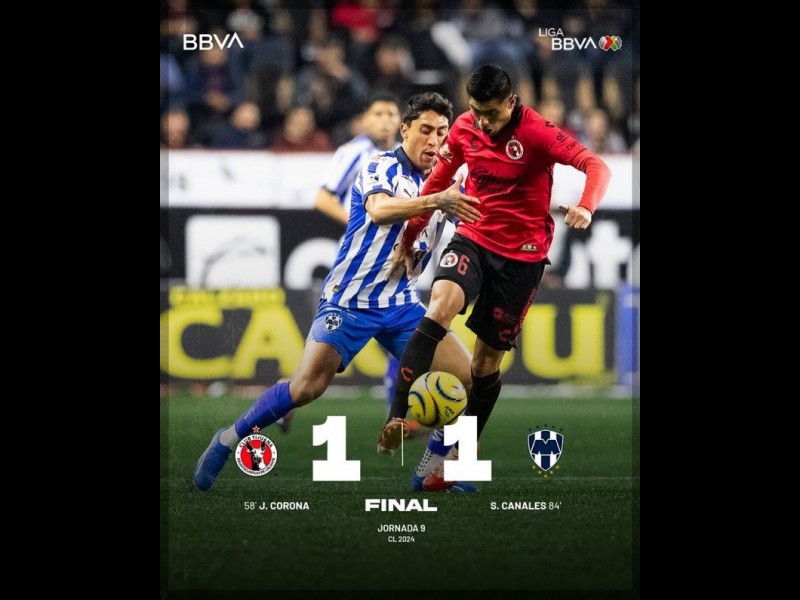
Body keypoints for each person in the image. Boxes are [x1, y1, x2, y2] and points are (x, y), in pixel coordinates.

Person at [194, 91, 482, 492]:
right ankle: (228, 439)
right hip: (350, 300)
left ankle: (435, 469)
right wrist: (437, 201)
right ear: (405, 130)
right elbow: (379, 210)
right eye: (425, 130)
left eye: (441, 132)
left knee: (471, 378)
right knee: (307, 387)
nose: (434, 141)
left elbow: (475, 223)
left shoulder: (448, 180)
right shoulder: (380, 166)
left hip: (401, 304)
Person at [379, 65, 611, 490]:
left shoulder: (538, 132)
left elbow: (596, 166)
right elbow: (436, 185)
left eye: (491, 113)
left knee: (484, 367)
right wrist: (409, 238)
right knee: (439, 307)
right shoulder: (465, 129)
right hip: (472, 238)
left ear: (511, 102)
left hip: (522, 257)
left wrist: (586, 206)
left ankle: (455, 456)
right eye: (476, 111)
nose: (483, 122)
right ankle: (396, 416)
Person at [313, 90, 404, 422]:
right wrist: (360, 221)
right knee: (323, 359)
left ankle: (397, 418)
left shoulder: (403, 155)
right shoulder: (354, 152)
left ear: (401, 121)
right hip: (358, 264)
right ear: (365, 119)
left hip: (394, 261)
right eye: (378, 114)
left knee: (404, 340)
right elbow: (323, 198)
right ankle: (286, 393)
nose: (385, 121)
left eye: (391, 114)